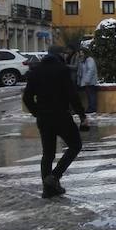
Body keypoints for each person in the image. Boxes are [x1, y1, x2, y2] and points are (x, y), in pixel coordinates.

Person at [23, 45, 88, 199]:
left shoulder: (35, 71)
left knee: (48, 154)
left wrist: (37, 112)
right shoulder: (62, 70)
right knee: (75, 145)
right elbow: (72, 95)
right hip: (61, 116)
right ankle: (54, 177)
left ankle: (47, 189)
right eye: (64, 54)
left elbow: (27, 98)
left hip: (44, 119)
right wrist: (82, 115)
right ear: (59, 55)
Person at [77, 49, 99, 113]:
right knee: (89, 95)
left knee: (91, 94)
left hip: (90, 81)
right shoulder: (82, 60)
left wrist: (87, 80)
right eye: (80, 53)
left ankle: (93, 108)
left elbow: (91, 70)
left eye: (82, 53)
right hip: (86, 81)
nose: (81, 54)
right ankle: (90, 107)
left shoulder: (89, 60)